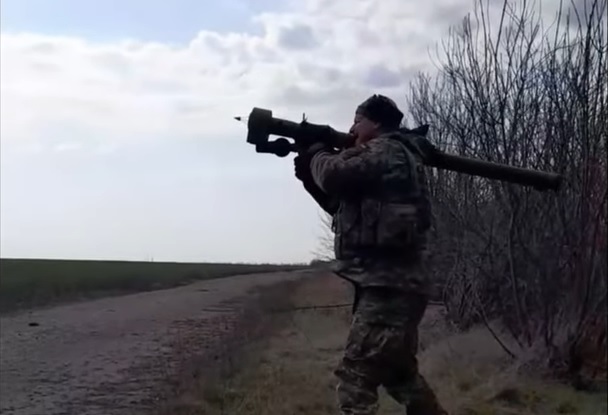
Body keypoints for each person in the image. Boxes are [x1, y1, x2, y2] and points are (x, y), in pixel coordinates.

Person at [293, 94, 447, 415]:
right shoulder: (393, 156)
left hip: (390, 287)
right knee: (399, 374)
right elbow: (341, 205)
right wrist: (310, 176)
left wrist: (317, 152)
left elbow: (334, 175)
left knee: (356, 377)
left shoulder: (387, 150)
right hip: (393, 284)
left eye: (357, 121)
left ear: (375, 123)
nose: (351, 128)